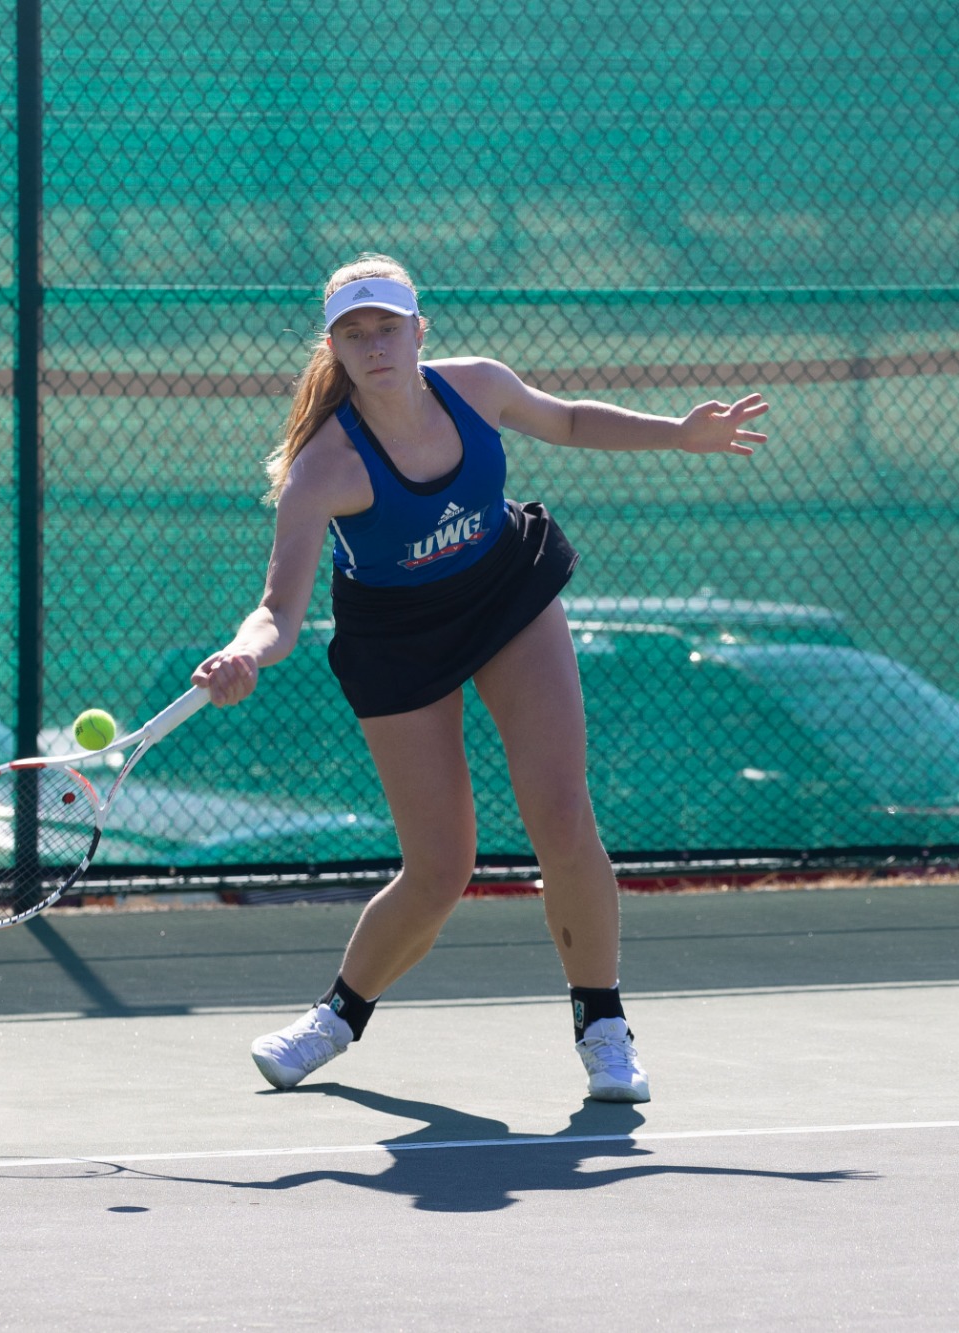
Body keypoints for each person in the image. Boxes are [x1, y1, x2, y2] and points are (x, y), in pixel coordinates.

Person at [192, 254, 768, 1102]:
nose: (375, 345)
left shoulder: (478, 386)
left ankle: (604, 1026)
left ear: (419, 331)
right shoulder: (323, 469)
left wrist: (678, 432)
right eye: (355, 333)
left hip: (506, 597)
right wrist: (246, 652)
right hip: (398, 640)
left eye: (388, 327)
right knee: (439, 867)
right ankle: (336, 1017)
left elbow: (568, 420)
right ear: (335, 349)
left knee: (562, 815)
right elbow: (278, 609)